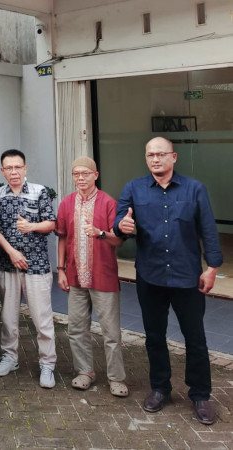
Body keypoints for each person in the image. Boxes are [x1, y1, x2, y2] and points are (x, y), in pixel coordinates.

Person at [114, 137, 222, 425]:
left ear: (173, 157)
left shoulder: (194, 189)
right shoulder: (134, 188)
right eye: (150, 155)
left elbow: (208, 230)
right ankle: (160, 388)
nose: (155, 159)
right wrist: (121, 225)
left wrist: (212, 267)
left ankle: (200, 395)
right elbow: (119, 222)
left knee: (195, 338)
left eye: (161, 154)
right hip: (150, 276)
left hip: (187, 277)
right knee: (154, 337)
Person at [56, 157, 128, 397]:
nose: (80, 178)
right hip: (75, 276)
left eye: (85, 173)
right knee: (76, 328)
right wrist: (60, 269)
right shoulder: (67, 203)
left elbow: (118, 240)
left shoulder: (108, 203)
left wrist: (100, 233)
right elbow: (62, 237)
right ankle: (85, 372)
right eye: (76, 174)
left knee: (111, 333)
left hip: (103, 277)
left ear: (95, 175)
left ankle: (116, 378)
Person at [0, 149, 57, 388]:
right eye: (9, 168)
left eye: (18, 167)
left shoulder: (40, 192)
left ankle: (47, 364)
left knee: (42, 319)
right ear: (3, 171)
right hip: (7, 265)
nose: (14, 172)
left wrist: (32, 226)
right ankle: (10, 358)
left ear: (25, 168)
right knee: (8, 318)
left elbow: (51, 223)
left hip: (36, 266)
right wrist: (11, 252)